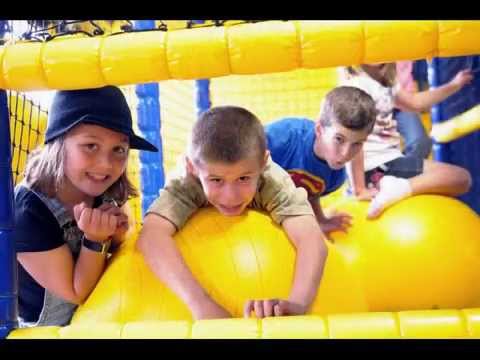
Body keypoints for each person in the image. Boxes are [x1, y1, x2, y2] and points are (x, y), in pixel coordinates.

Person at [137, 105, 328, 320]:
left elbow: (311, 238)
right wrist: (200, 304)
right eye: (216, 180)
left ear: (263, 163)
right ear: (193, 167)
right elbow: (151, 236)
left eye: (244, 178)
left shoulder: (271, 179)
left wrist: (298, 303)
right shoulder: (186, 182)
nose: (231, 197)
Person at [14, 85, 158, 327]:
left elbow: (111, 258)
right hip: (44, 331)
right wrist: (95, 240)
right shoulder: (28, 212)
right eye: (91, 146)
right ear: (59, 143)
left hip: (95, 318)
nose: (105, 164)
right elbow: (76, 293)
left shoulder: (104, 190)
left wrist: (117, 237)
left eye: (119, 150)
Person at [340, 63, 473, 218]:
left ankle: (394, 187)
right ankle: (396, 188)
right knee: (460, 177)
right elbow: (353, 137)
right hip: (377, 166)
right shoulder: (357, 86)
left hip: (386, 164)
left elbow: (415, 103)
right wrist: (359, 188)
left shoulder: (384, 82)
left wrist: (454, 85)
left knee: (457, 179)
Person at [265, 86, 377, 234]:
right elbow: (241, 151)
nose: (345, 154)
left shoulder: (335, 177)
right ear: (319, 130)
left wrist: (321, 220)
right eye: (339, 139)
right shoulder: (283, 138)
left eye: (357, 143)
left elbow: (309, 195)